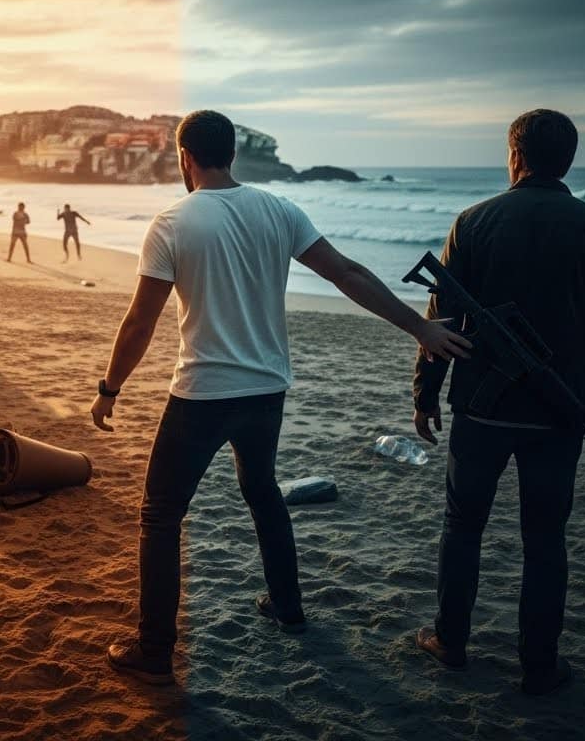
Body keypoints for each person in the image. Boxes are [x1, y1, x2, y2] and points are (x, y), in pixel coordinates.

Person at [91, 110, 469, 685]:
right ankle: (288, 608)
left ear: (184, 157)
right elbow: (346, 273)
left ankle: (154, 650)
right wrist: (418, 328)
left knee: (162, 515)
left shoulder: (172, 221)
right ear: (233, 154)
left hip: (202, 393)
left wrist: (110, 388)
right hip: (267, 391)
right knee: (262, 490)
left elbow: (140, 321)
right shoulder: (278, 209)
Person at [411, 109, 585, 697]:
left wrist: (425, 392)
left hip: (482, 410)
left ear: (514, 156)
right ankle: (539, 666)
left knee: (462, 527)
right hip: (561, 416)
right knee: (545, 539)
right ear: (569, 160)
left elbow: (443, 320)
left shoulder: (474, 221)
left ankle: (450, 643)